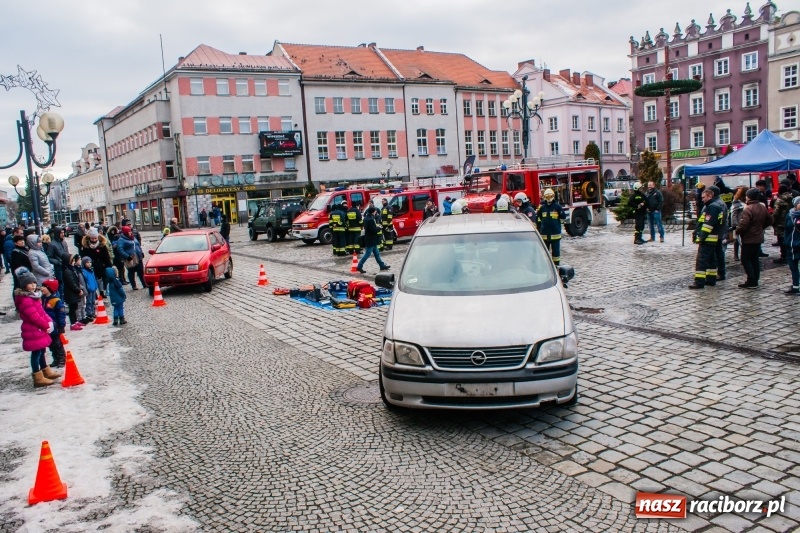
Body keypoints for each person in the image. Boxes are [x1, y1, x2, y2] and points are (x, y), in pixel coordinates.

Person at [14, 267, 60, 387]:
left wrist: (49, 321)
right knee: (36, 353)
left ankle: (45, 370)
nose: (33, 285)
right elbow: (34, 317)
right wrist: (45, 325)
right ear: (24, 285)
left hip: (38, 330)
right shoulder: (26, 300)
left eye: (34, 282)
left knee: (42, 350)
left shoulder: (34, 297)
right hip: (32, 330)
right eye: (30, 283)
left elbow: (42, 312)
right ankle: (37, 376)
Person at [689, 186, 724, 289]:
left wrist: (701, 237)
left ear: (710, 196)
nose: (702, 199)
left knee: (701, 260)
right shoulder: (712, 206)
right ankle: (710, 279)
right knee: (711, 260)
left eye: (704, 197)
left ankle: (699, 282)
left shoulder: (713, 208)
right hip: (711, 238)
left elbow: (708, 225)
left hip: (708, 238)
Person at [736, 188, 772, 289]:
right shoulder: (762, 207)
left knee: (745, 259)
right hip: (758, 237)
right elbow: (770, 219)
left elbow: (744, 224)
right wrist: (761, 228)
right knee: (754, 258)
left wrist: (738, 230)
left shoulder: (748, 208)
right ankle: (755, 278)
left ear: (749, 197)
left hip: (749, 237)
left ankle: (751, 280)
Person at [40, 279, 67, 369]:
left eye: (44, 286)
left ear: (50, 289)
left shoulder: (56, 300)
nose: (41, 288)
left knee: (57, 344)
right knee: (50, 344)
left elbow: (61, 314)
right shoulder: (42, 299)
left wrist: (61, 325)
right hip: (47, 327)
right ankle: (55, 359)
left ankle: (62, 359)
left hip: (55, 327)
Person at [80, 227, 113, 298]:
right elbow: (83, 256)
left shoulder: (102, 245)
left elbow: (106, 256)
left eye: (95, 238)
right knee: (92, 279)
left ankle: (102, 292)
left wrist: (109, 266)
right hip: (90, 265)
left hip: (101, 265)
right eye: (92, 238)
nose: (94, 240)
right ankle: (94, 293)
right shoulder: (86, 246)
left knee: (101, 280)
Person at [356, 206, 390, 274]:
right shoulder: (370, 219)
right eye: (374, 211)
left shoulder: (366, 218)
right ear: (372, 212)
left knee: (376, 253)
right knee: (368, 253)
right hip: (371, 239)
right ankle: (359, 266)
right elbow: (373, 230)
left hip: (371, 239)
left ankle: (382, 265)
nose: (375, 212)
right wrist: (379, 228)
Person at [536, 188, 565, 265]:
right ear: (545, 197)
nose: (549, 198)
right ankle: (546, 266)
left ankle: (556, 266)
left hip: (555, 235)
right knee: (545, 253)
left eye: (550, 196)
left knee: (556, 254)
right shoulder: (542, 208)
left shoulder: (557, 207)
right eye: (547, 196)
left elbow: (563, 216)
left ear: (553, 196)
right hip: (545, 235)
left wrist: (556, 225)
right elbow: (539, 217)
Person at [708, 186, 729, 281]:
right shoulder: (717, 202)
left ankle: (721, 272)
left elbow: (721, 219)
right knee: (717, 252)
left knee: (718, 252)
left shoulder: (719, 204)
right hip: (717, 231)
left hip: (717, 232)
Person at [772, 184, 793, 264]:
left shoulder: (779, 200)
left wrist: (772, 221)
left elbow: (776, 213)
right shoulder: (792, 198)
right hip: (790, 221)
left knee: (781, 240)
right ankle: (790, 254)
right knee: (789, 238)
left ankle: (784, 256)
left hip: (780, 223)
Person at [47, 227, 69, 295]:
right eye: (61, 233)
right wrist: (58, 262)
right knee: (60, 285)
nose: (63, 234)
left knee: (65, 284)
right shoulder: (53, 244)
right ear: (57, 233)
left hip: (65, 266)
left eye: (63, 232)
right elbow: (49, 257)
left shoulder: (61, 242)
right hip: (58, 268)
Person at [785, 196, 800, 294]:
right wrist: (786, 241)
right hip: (791, 245)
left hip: (797, 244)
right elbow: (786, 229)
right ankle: (795, 285)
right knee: (793, 266)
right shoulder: (790, 215)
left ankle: (796, 286)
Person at [730, 187, 747, 262]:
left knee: (741, 240)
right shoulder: (737, 201)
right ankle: (736, 255)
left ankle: (742, 255)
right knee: (736, 239)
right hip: (737, 224)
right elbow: (733, 214)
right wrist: (734, 225)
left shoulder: (744, 201)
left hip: (743, 223)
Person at [81, 257, 98, 321]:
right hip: (89, 289)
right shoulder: (84, 271)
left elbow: (94, 279)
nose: (89, 264)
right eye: (87, 262)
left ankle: (93, 312)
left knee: (93, 301)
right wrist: (88, 287)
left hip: (93, 288)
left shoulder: (91, 270)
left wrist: (96, 286)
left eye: (90, 262)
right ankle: (89, 313)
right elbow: (85, 281)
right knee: (89, 301)